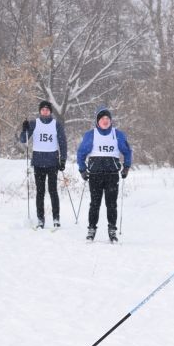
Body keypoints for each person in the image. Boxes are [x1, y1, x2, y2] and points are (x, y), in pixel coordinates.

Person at [76, 107, 132, 243]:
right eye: (102, 119)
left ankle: (112, 230)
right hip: (95, 175)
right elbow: (81, 153)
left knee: (111, 204)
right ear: (97, 121)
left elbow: (127, 151)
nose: (105, 121)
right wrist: (82, 169)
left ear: (111, 121)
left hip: (112, 175)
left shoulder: (117, 134)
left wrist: (126, 167)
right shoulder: (91, 135)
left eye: (107, 119)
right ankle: (91, 229)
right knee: (95, 204)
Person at [20, 100, 67, 229]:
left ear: (50, 111)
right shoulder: (34, 123)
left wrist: (63, 159)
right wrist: (24, 128)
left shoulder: (56, 124)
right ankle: (41, 219)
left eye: (47, 109)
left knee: (53, 191)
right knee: (40, 193)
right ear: (40, 111)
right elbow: (23, 140)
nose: (45, 111)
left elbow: (63, 143)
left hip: (52, 162)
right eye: (43, 109)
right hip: (38, 163)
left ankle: (56, 219)